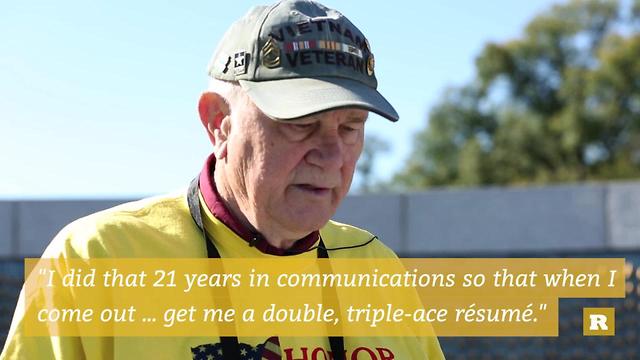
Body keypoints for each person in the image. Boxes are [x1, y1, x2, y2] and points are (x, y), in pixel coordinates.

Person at [1, 0, 444, 358]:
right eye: (301, 123)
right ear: (219, 121)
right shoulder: (96, 259)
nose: (332, 156)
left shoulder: (377, 269)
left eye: (351, 127)